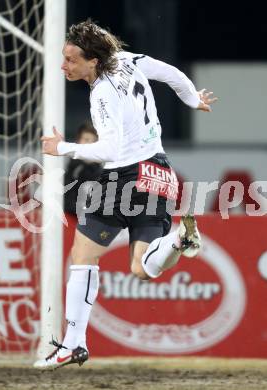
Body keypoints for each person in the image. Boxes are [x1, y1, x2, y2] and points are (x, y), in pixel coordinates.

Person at [34, 20, 217, 370]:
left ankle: (73, 344)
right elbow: (171, 73)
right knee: (142, 268)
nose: (64, 65)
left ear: (93, 61)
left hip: (125, 178)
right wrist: (192, 99)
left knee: (83, 256)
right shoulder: (128, 59)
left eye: (71, 59)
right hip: (161, 172)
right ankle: (178, 239)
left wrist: (64, 147)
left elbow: (110, 149)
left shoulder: (101, 92)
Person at [64, 122, 103, 216]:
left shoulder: (101, 171)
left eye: (94, 141)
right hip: (70, 216)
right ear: (78, 141)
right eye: (86, 140)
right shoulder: (73, 168)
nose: (89, 144)